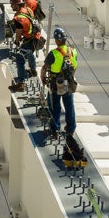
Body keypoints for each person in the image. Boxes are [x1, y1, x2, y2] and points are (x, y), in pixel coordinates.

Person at [40, 27, 83, 165]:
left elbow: (44, 68)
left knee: (55, 107)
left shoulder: (54, 53)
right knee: (69, 107)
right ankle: (70, 129)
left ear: (57, 40)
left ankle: (55, 129)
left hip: (56, 84)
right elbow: (75, 66)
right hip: (68, 84)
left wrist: (43, 79)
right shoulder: (73, 51)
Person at [8, 0, 41, 92]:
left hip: (29, 39)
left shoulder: (19, 18)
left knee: (20, 58)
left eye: (12, 5)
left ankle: (21, 84)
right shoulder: (28, 9)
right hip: (35, 37)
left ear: (17, 5)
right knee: (30, 53)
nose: (11, 7)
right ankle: (33, 70)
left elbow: (18, 32)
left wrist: (17, 41)